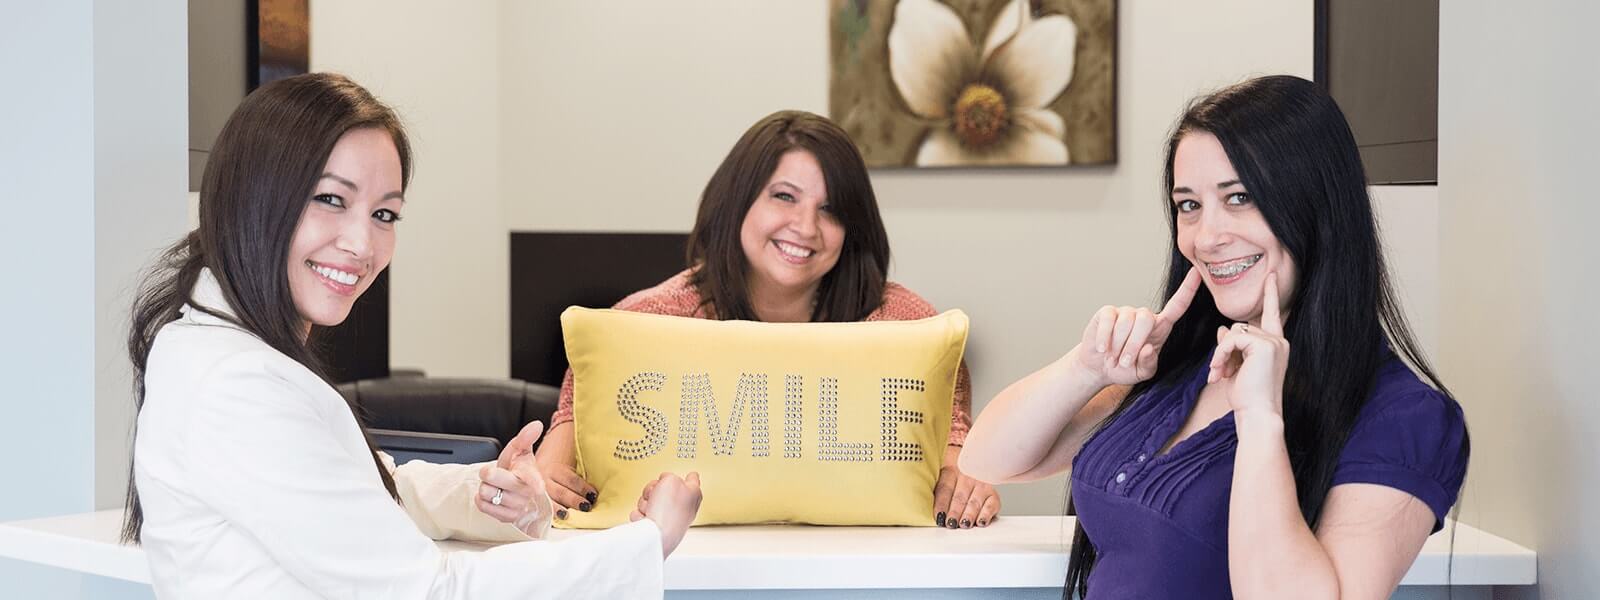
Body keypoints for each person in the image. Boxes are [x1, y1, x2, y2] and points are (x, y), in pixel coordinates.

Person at [124, 72, 701, 598]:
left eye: (385, 214)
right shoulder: (237, 384)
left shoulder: (219, 348)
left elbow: (365, 488)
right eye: (330, 199)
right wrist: (648, 542)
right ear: (252, 196)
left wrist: (487, 492)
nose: (362, 244)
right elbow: (428, 592)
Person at [959, 76, 1469, 598]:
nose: (1205, 237)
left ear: (1317, 205)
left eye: (1240, 197)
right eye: (1189, 205)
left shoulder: (1405, 418)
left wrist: (1261, 421)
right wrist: (1087, 368)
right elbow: (988, 459)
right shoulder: (1189, 363)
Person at [535, 110, 1000, 529]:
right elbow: (556, 464)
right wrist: (540, 486)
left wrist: (967, 488)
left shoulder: (906, 325)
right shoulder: (640, 321)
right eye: (784, 196)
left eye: (830, 209)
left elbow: (957, 462)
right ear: (738, 201)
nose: (805, 226)